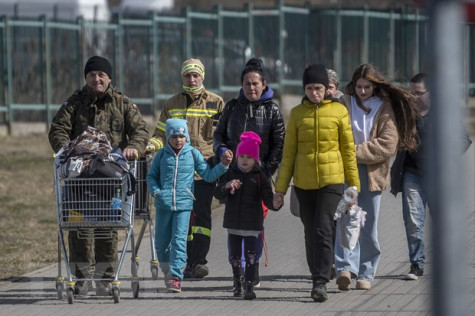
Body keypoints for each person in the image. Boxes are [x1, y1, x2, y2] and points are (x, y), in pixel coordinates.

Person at [48, 56, 149, 296]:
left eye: (101, 75)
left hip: (110, 177)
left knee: (109, 225)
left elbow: (140, 130)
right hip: (79, 175)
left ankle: (106, 278)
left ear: (109, 78)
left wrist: (133, 147)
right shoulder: (74, 102)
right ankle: (81, 278)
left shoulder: (122, 103)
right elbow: (58, 130)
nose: (97, 79)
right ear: (86, 77)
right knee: (78, 225)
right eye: (92, 75)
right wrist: (67, 150)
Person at [273, 64, 360, 302]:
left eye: (318, 88)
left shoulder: (339, 112)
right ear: (305, 89)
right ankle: (320, 268)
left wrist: (353, 186)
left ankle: (319, 282)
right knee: (311, 231)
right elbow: (288, 154)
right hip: (303, 183)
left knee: (322, 227)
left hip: (332, 181)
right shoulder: (297, 114)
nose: (314, 92)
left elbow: (348, 151)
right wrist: (280, 190)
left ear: (326, 89)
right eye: (310, 88)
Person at [334, 63, 419, 291]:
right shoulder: (344, 103)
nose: (362, 91)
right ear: (353, 85)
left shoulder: (385, 107)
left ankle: (366, 272)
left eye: (367, 87)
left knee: (367, 225)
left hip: (371, 174)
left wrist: (353, 151)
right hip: (345, 171)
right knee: (345, 220)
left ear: (375, 86)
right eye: (359, 86)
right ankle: (344, 267)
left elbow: (387, 145)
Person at [147, 58, 225, 279]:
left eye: (196, 75)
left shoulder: (217, 102)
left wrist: (221, 160)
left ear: (203, 76)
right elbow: (161, 133)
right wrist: (151, 146)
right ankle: (182, 261)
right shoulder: (171, 104)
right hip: (176, 174)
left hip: (203, 171)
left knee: (201, 218)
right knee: (181, 220)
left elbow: (223, 136)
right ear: (182, 77)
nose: (192, 79)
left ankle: (198, 261)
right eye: (187, 75)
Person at [390, 73, 472, 280]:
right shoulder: (405, 113)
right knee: (413, 221)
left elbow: (464, 139)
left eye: (418, 93)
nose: (413, 96)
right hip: (412, 174)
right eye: (411, 92)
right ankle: (416, 265)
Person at [213, 57, 285, 286]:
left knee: (254, 223)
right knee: (235, 222)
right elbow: (218, 136)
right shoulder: (233, 106)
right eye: (247, 84)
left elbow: (278, 145)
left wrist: (265, 171)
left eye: (255, 83)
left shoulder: (273, 110)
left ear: (264, 84)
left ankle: (252, 269)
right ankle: (238, 269)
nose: (251, 88)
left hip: (258, 178)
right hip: (233, 174)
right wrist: (222, 150)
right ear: (241, 85)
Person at [146, 118, 232, 293]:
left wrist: (223, 165)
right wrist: (156, 191)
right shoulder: (161, 155)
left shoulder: (193, 154)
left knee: (179, 240)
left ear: (187, 137)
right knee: (162, 244)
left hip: (184, 205)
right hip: (163, 205)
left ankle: (176, 276)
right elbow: (151, 176)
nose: (178, 139)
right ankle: (166, 269)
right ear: (168, 138)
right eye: (174, 136)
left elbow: (207, 175)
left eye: (182, 136)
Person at [214, 131, 281, 300]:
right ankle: (238, 283)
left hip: (252, 225)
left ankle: (249, 286)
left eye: (249, 157)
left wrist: (275, 203)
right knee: (235, 257)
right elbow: (218, 193)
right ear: (237, 157)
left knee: (251, 257)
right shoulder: (230, 173)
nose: (245, 160)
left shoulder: (260, 176)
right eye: (242, 156)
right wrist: (227, 186)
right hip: (233, 224)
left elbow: (267, 198)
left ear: (255, 159)